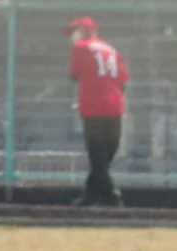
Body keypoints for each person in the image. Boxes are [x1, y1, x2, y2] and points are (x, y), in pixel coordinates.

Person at [65, 16, 130, 207]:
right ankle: (91, 195)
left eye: (73, 32)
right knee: (106, 153)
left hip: (93, 106)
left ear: (83, 31)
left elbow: (73, 75)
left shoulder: (80, 48)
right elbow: (123, 79)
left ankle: (110, 195)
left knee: (97, 154)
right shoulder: (111, 49)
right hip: (115, 105)